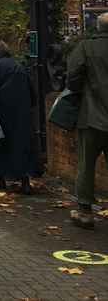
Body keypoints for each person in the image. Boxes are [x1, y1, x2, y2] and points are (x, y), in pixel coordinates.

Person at [67, 12, 108, 230]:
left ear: (98, 28)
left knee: (86, 164)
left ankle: (84, 211)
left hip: (91, 116)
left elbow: (73, 77)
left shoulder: (86, 48)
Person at [0, 41, 36, 193]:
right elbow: (32, 91)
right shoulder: (19, 67)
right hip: (21, 113)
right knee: (21, 146)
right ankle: (24, 180)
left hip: (1, 113)